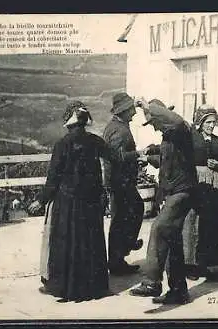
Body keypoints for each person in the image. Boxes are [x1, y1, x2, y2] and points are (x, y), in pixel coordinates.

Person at [28, 101, 112, 302]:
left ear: (69, 123)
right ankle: (94, 287)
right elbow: (113, 159)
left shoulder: (62, 144)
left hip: (67, 202)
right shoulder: (95, 141)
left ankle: (66, 288)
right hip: (91, 201)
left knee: (68, 242)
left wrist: (40, 200)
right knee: (89, 242)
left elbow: (54, 177)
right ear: (84, 122)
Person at [129, 98, 197, 305]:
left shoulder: (180, 130)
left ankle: (152, 282)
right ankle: (178, 290)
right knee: (171, 240)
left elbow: (174, 120)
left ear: (162, 116)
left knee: (159, 228)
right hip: (175, 190)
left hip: (183, 191)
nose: (155, 127)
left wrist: (147, 106)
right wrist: (151, 156)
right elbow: (169, 162)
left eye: (155, 121)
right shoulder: (169, 137)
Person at [183, 104, 218, 281]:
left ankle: (205, 264)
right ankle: (189, 265)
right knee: (193, 223)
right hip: (196, 184)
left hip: (215, 187)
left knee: (211, 225)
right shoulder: (191, 139)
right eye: (208, 122)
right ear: (200, 122)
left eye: (214, 122)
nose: (212, 126)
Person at [103, 92, 147, 275]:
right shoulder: (119, 130)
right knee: (125, 216)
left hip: (121, 180)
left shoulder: (118, 125)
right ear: (122, 111)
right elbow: (117, 156)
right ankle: (120, 255)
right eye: (131, 110)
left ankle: (120, 255)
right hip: (119, 182)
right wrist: (139, 154)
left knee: (125, 216)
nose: (134, 113)